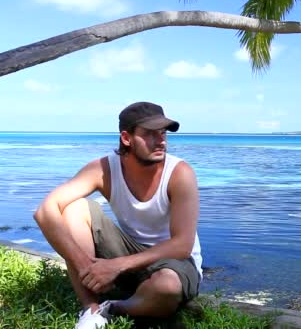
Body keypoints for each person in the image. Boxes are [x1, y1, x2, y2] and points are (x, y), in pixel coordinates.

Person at [34, 101, 202, 329]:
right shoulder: (103, 169)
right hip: (129, 252)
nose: (161, 141)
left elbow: (182, 245)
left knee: (166, 288)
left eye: (163, 133)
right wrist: (85, 266)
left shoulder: (180, 173)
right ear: (126, 138)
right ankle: (90, 309)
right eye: (150, 134)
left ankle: (113, 308)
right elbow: (45, 210)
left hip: (174, 263)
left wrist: (116, 266)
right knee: (74, 207)